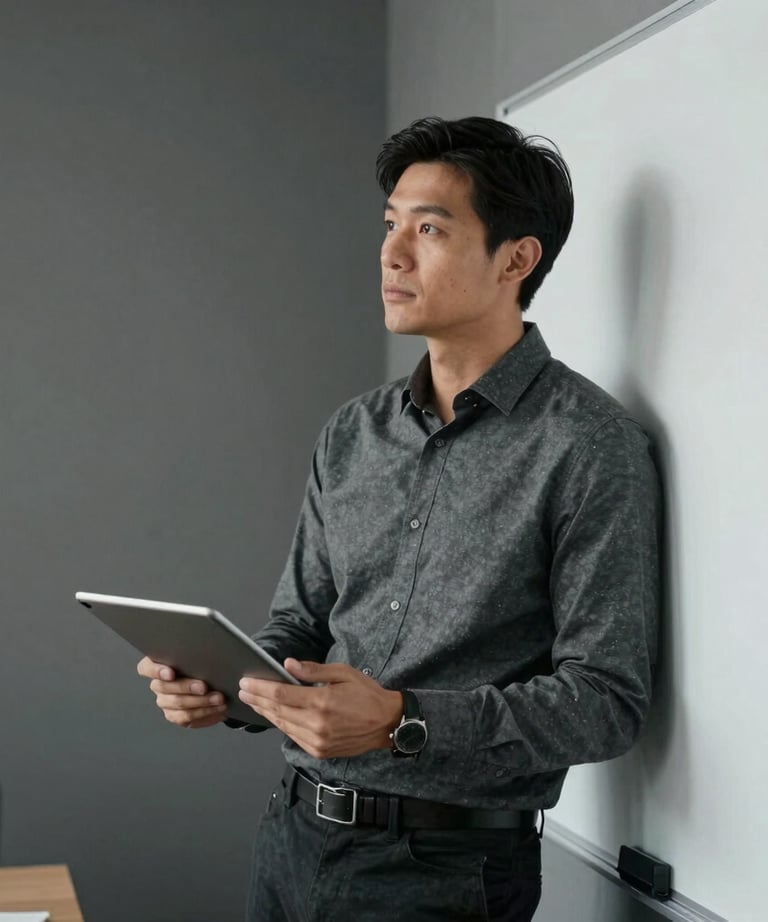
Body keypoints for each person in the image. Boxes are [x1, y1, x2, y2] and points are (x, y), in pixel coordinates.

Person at [138, 116, 660, 922]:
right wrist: (230, 686)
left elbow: (605, 702)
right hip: (291, 838)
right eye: (391, 225)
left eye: (429, 229)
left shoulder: (589, 444)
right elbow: (299, 626)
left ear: (516, 260)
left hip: (446, 872)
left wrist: (402, 722)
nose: (392, 253)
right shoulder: (353, 432)